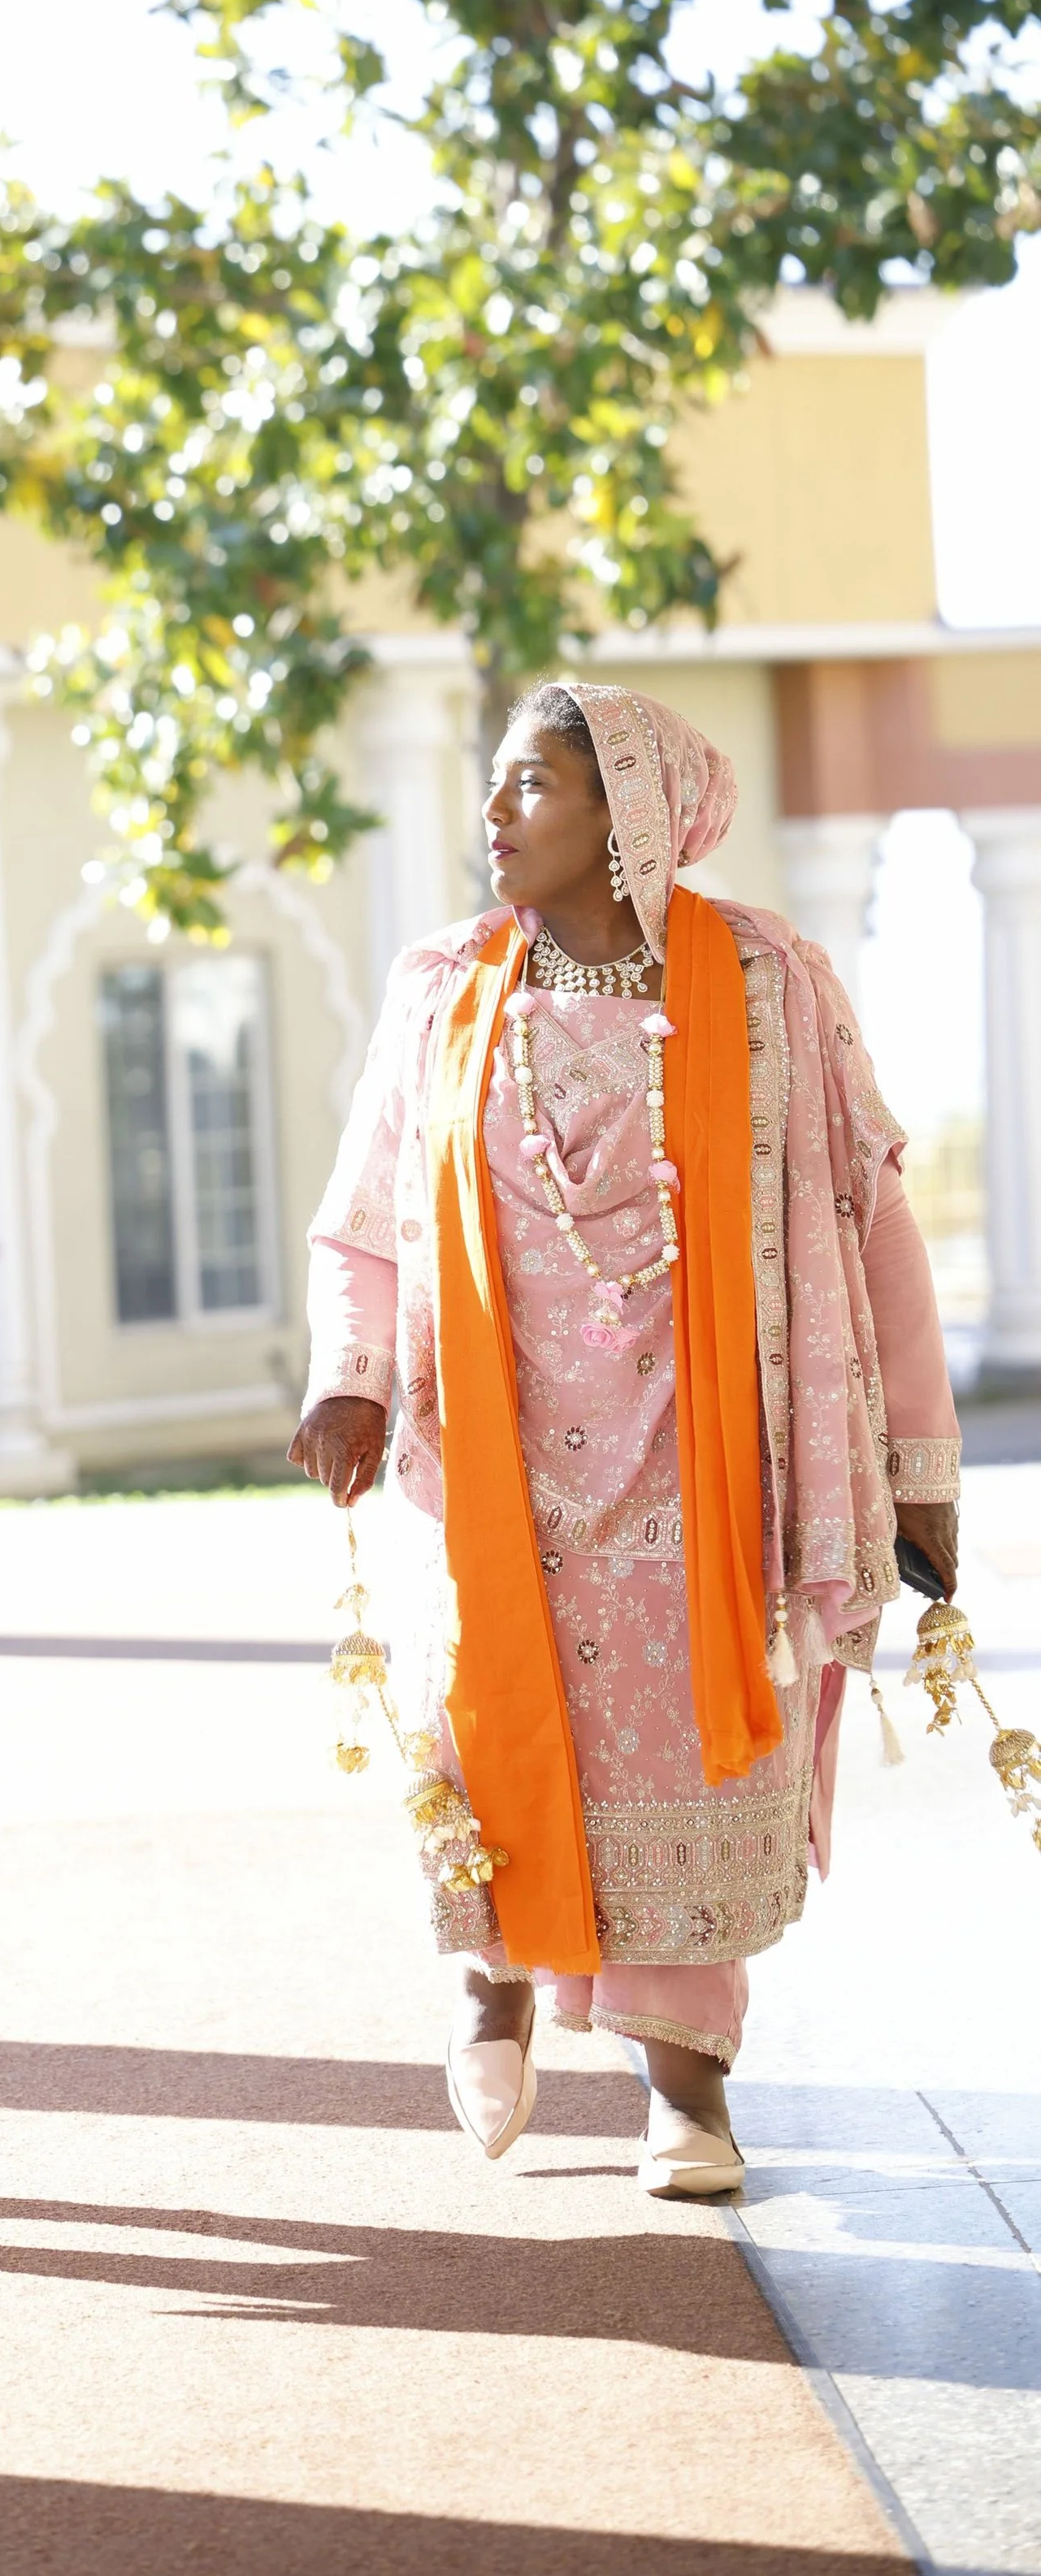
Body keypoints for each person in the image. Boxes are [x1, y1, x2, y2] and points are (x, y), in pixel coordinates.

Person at [291, 682, 959, 2197]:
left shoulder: (772, 985)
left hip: (717, 1466)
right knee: (490, 1726)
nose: (496, 812)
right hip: (498, 1469)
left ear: (630, 813)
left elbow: (875, 1222)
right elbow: (365, 1219)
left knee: (699, 1748)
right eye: (497, 782)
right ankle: (492, 1981)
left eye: (534, 784)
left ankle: (687, 2090)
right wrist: (353, 1378)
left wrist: (916, 1467)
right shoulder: (445, 988)